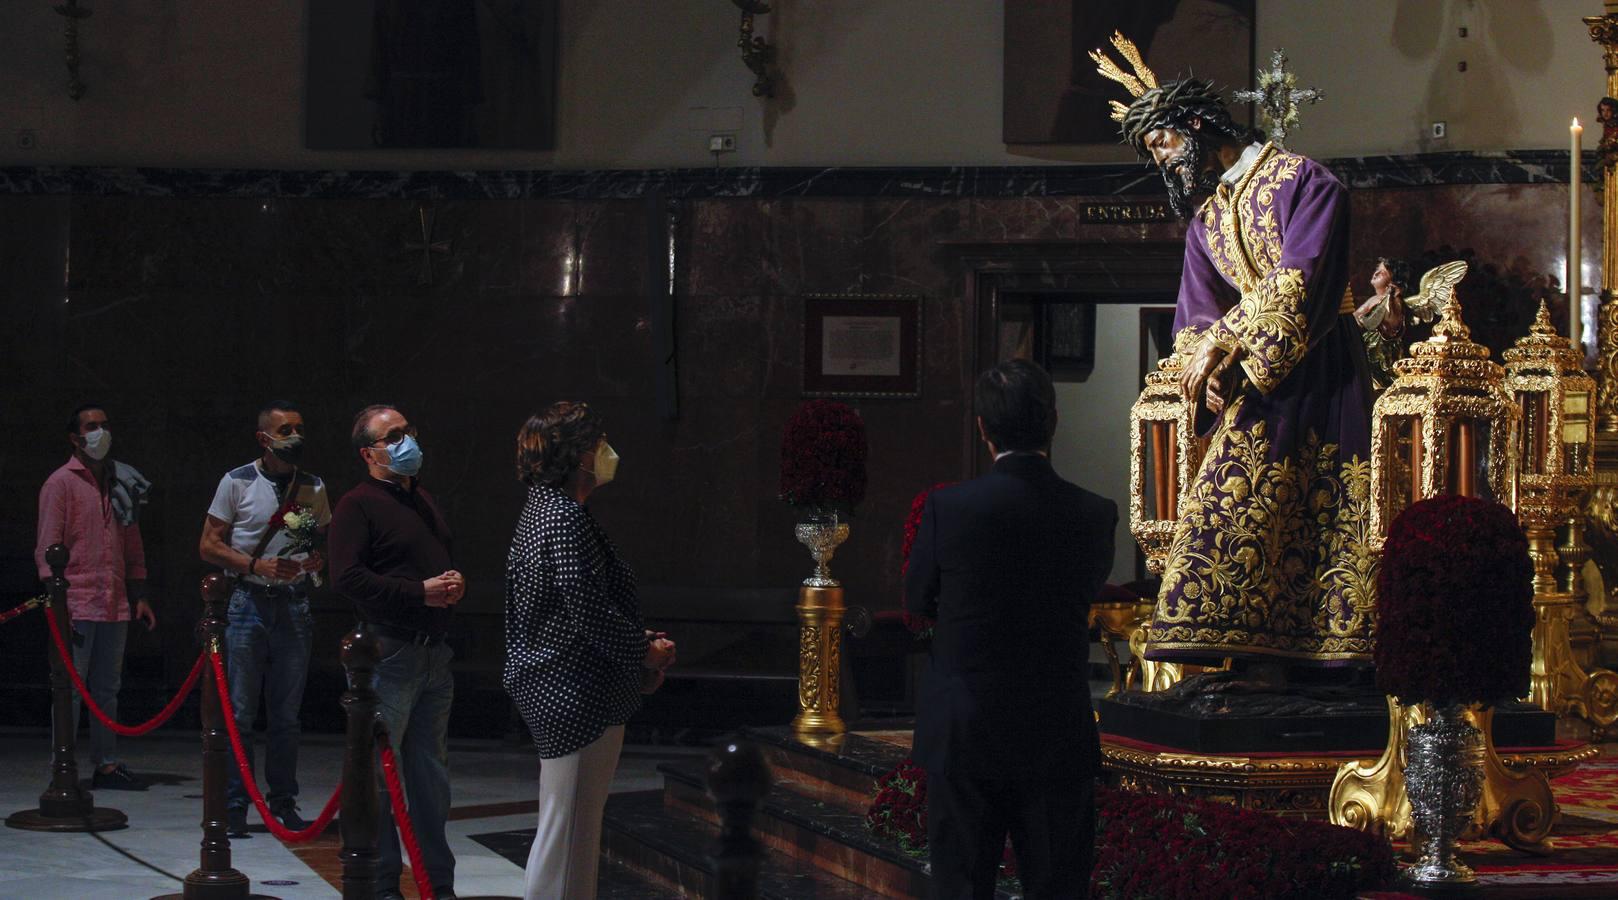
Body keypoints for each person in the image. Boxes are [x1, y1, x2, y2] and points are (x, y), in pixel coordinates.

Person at [1094, 34, 1376, 673]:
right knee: (1224, 508)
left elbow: (1301, 277)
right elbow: (1195, 310)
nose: (1162, 161)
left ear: (1194, 123)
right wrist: (1206, 369)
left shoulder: (1306, 180)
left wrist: (1231, 343)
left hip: (1321, 365)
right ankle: (1240, 660)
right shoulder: (1206, 220)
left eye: (1163, 142)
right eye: (1152, 152)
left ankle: (1334, 661)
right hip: (1253, 381)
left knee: (1327, 511)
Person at [904, 360, 1117, 900]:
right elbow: (1084, 592)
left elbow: (917, 600)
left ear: (982, 427)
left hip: (966, 727)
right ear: (1054, 421)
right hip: (1055, 726)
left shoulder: (948, 508)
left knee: (961, 886)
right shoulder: (1094, 514)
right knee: (1056, 886)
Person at [503, 402, 677, 900]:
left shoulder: (547, 508)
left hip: (565, 683)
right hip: (573, 690)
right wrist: (644, 653)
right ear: (579, 454)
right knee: (567, 833)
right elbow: (587, 610)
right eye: (598, 443)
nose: (607, 452)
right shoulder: (561, 517)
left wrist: (638, 646)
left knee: (573, 831)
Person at [328, 405, 463, 900]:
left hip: (433, 655)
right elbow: (346, 577)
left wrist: (451, 583)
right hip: (389, 653)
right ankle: (382, 882)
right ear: (370, 452)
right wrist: (418, 592)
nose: (409, 440)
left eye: (410, 430)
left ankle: (436, 883)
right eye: (395, 435)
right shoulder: (356, 505)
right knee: (380, 779)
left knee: (432, 778)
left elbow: (430, 559)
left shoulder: (421, 498)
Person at [199, 401, 330, 836]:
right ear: (264, 438)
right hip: (247, 603)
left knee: (287, 715)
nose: (295, 435)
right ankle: (235, 803)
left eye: (299, 427)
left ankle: (283, 801)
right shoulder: (236, 481)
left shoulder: (309, 486)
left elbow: (307, 538)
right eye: (285, 429)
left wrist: (313, 560)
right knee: (239, 711)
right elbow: (209, 545)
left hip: (292, 604)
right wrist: (256, 567)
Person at [35, 403, 157, 790]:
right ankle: (63, 765)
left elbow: (132, 542)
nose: (100, 432)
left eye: (105, 424)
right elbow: (47, 547)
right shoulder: (61, 483)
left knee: (108, 688)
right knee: (69, 689)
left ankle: (106, 763)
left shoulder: (121, 481)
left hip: (114, 601)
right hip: (76, 601)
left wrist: (139, 593)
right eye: (92, 426)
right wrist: (57, 602)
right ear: (75, 437)